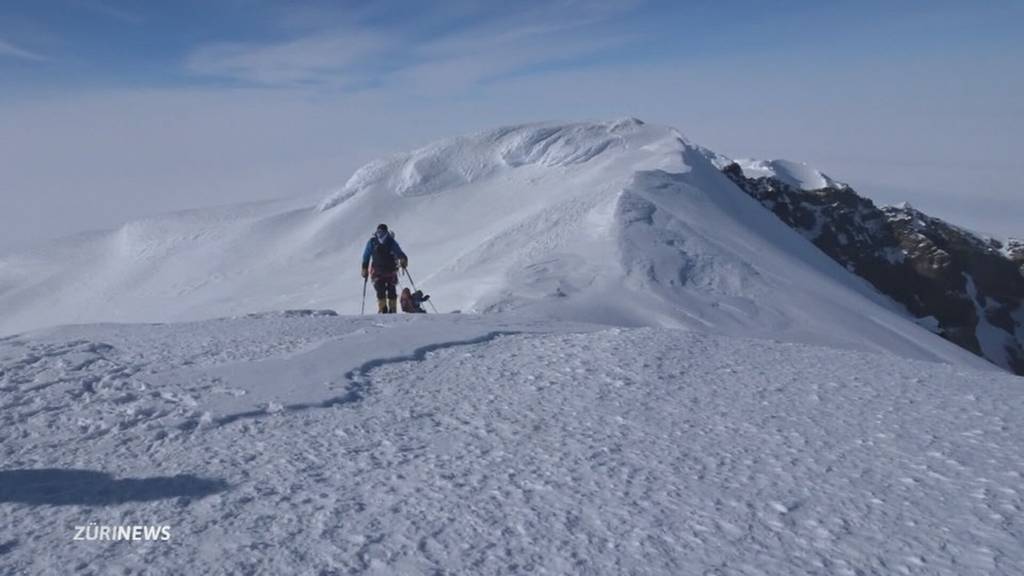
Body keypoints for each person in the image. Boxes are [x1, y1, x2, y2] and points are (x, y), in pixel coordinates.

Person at [361, 224, 407, 314]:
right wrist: (364, 268)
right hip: (377, 272)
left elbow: (398, 252)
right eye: (378, 232)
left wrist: (403, 259)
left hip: (391, 271)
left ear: (386, 232)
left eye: (382, 232)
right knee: (380, 290)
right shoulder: (372, 242)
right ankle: (383, 309)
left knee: (392, 291)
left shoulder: (391, 242)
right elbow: (366, 256)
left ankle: (392, 309)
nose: (380, 234)